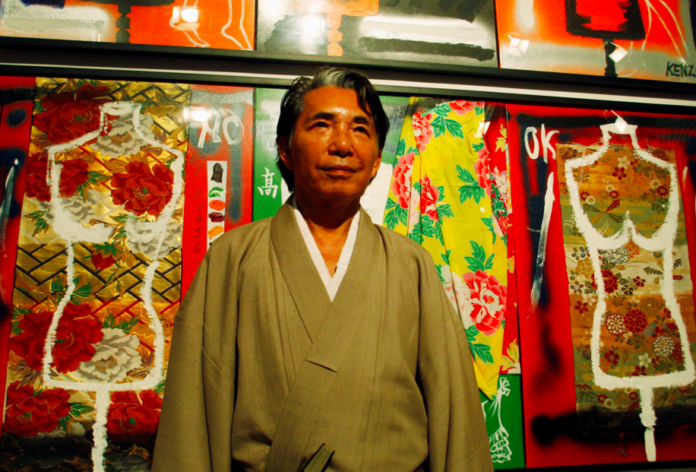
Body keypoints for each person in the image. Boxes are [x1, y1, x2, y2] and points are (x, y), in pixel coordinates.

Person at [152, 66, 493, 472]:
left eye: (360, 130)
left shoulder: (412, 264)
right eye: (322, 125)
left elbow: (455, 414)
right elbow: (191, 414)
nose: (343, 145)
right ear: (285, 149)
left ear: (376, 161)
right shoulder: (233, 258)